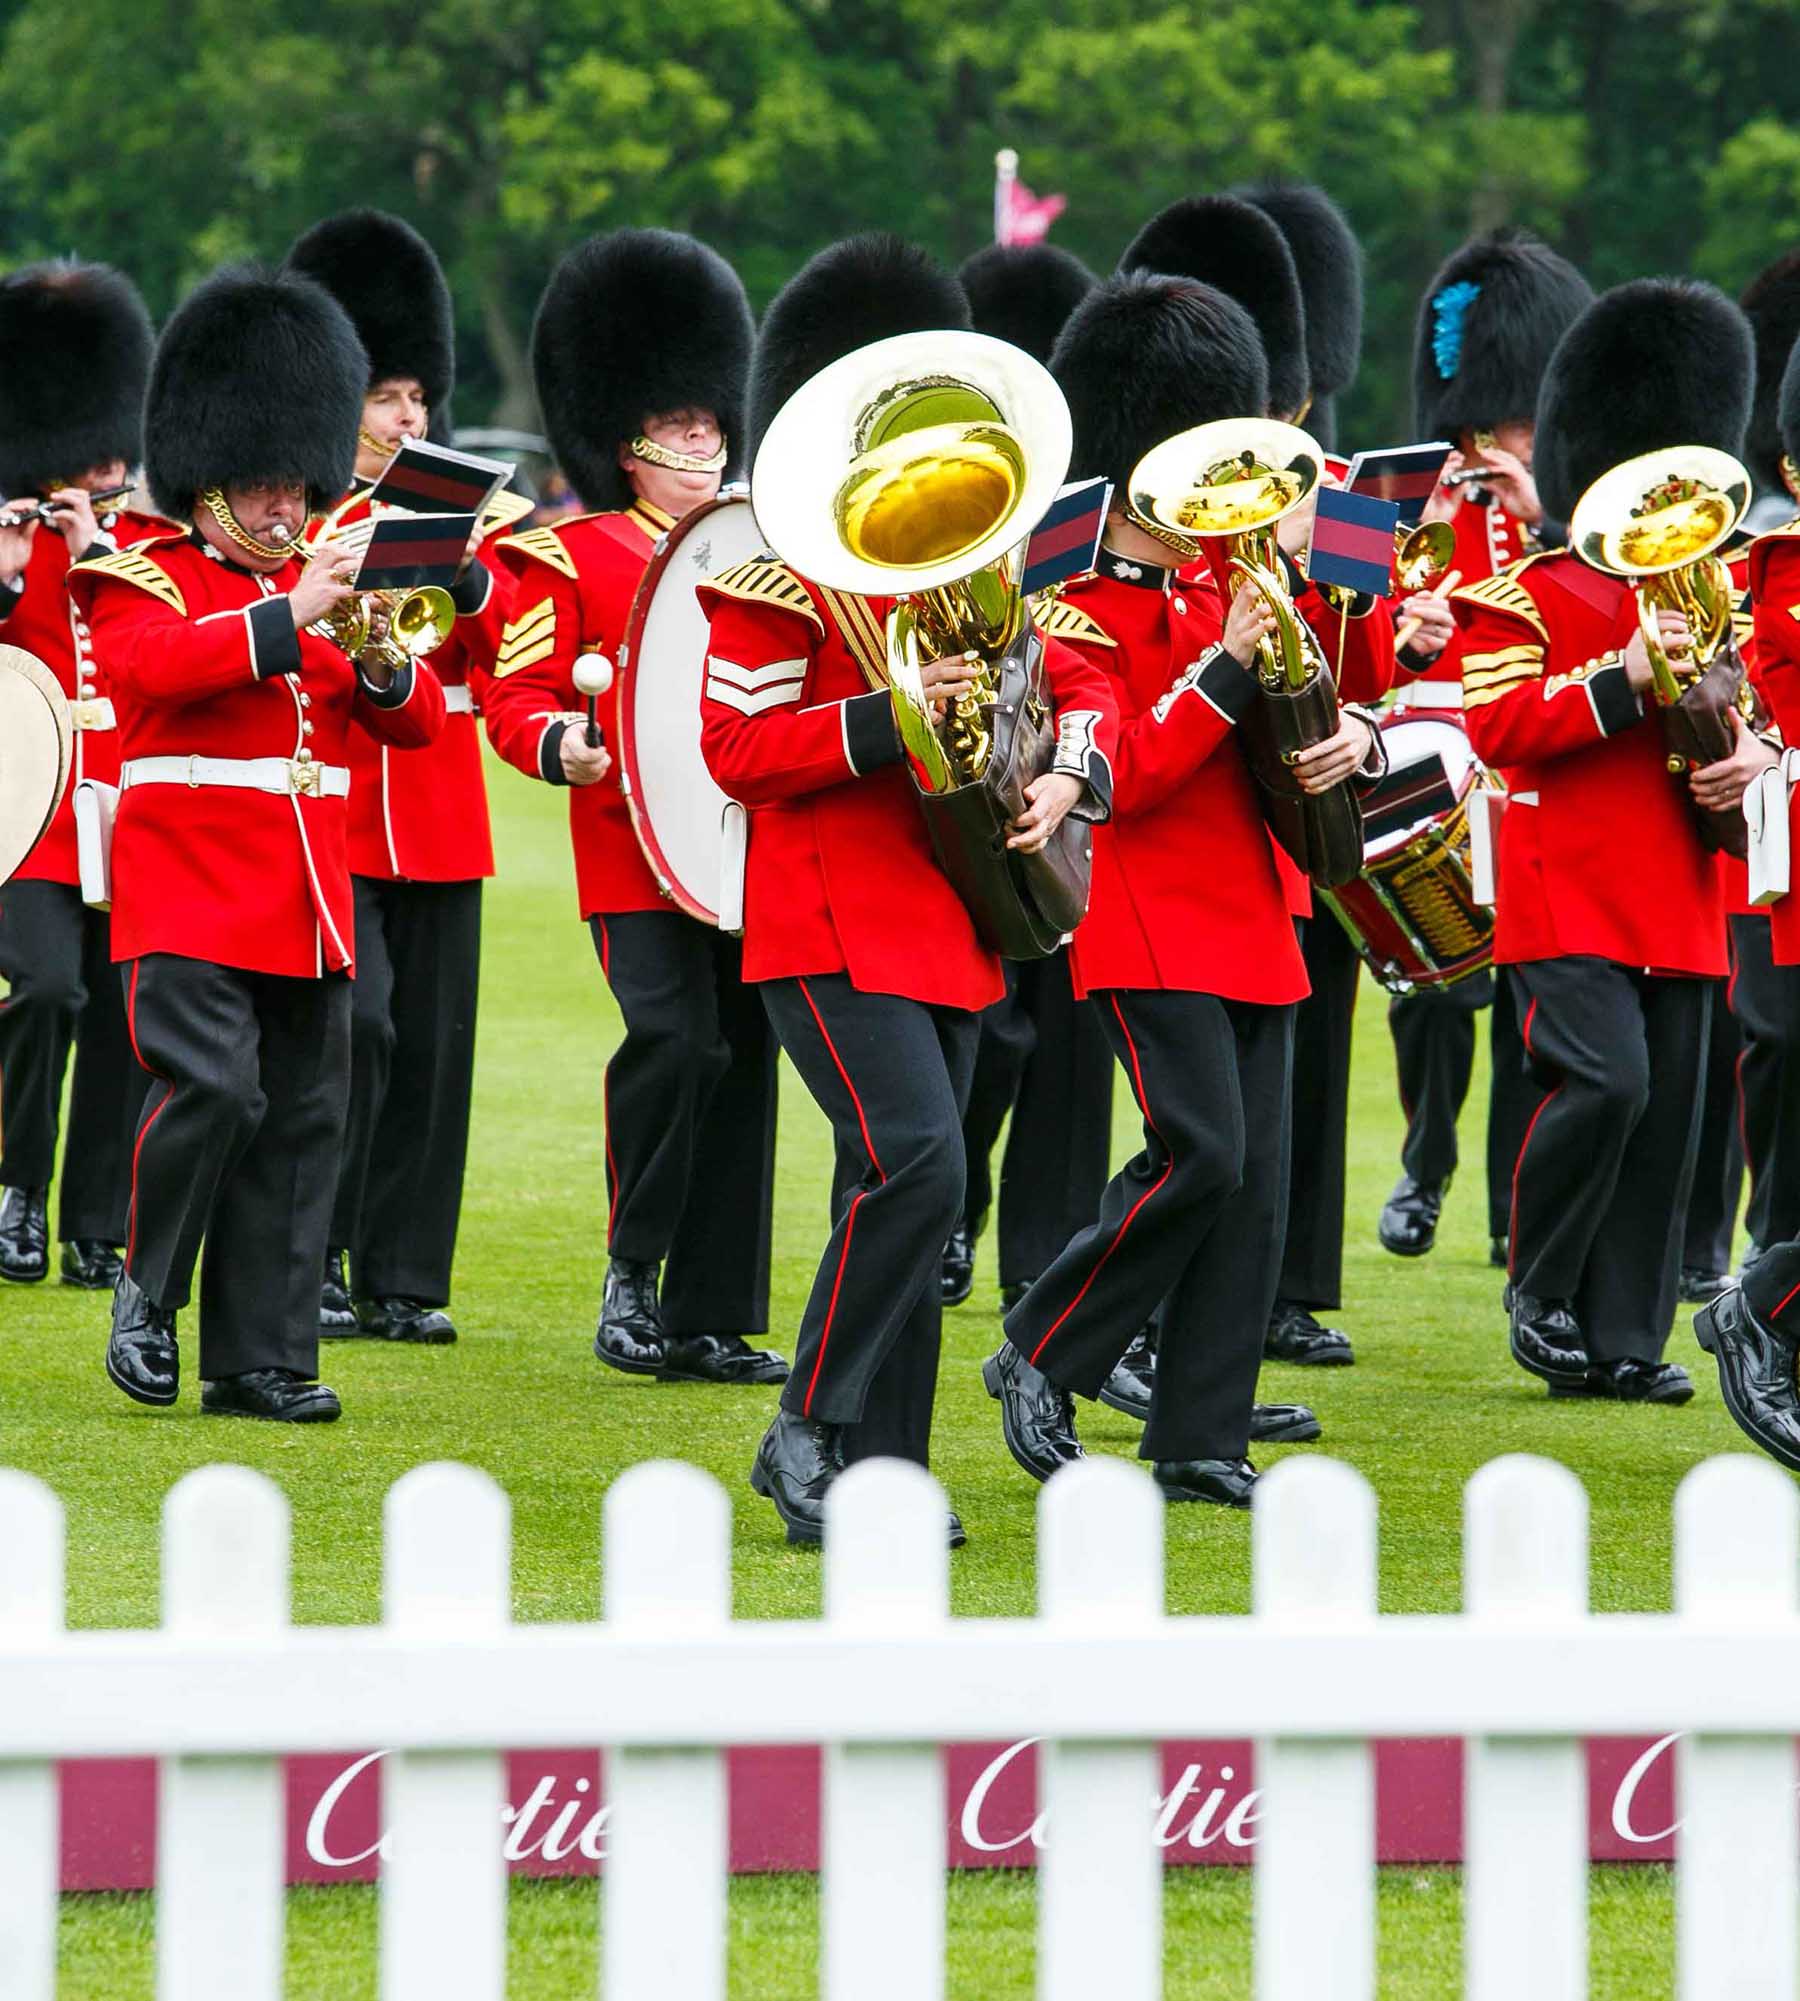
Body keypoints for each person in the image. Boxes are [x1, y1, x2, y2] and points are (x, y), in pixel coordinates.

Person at [699, 233, 1117, 1545]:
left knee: (899, 1190)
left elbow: (1070, 685)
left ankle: (883, 1475)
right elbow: (737, 752)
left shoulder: (970, 579)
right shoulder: (771, 584)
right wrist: (890, 713)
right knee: (921, 1170)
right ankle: (807, 1428)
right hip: (823, 916)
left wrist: (1060, 765)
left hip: (948, 918)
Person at [984, 268, 1381, 1508]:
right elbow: (1133, 771)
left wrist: (1351, 730)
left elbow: (1343, 678)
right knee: (1199, 1148)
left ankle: (1200, 1437)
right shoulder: (1073, 603)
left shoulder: (1242, 578)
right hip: (1146, 902)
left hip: (1260, 902)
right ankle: (1041, 1348)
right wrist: (1225, 662)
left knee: (1254, 1179)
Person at [71, 263, 445, 1421]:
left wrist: (381, 651)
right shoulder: (142, 575)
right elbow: (154, 671)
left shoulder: (324, 586)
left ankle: (263, 1358)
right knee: (216, 1093)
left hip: (306, 900)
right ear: (209, 478)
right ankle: (146, 1282)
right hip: (186, 890)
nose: (288, 509)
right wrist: (295, 612)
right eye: (266, 488)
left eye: (298, 485)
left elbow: (419, 723)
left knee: (299, 1125)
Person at [480, 228, 787, 1387]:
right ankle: (633, 1269)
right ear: (628, 446)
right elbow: (513, 693)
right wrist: (561, 742)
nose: (703, 443)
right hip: (630, 847)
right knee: (673, 1040)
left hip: (743, 839)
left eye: (713, 424)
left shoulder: (761, 549)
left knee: (741, 1057)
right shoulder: (571, 556)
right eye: (681, 429)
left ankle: (713, 1313)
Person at [1457, 276, 1768, 1403]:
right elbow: (1497, 724)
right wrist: (1622, 677)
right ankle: (1537, 1287)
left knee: (1665, 1129)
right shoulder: (1526, 594)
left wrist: (1752, 754)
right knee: (1609, 1087)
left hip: (1680, 892)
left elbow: (1762, 717)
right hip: (1568, 888)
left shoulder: (1721, 593)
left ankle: (1624, 1345)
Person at [1119, 191, 1395, 1372]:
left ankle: (1262, 1325)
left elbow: (1380, 678)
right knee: (1198, 1137)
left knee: (1274, 1130)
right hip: (1177, 858)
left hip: (1304, 836)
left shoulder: (1343, 503)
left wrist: (1371, 728)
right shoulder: (1129, 531)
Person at [282, 209, 511, 1345]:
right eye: (387, 397)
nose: (409, 416)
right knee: (355, 1031)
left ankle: (405, 1275)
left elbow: (503, 646)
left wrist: (467, 582)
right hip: (337, 804)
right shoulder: (303, 521)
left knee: (431, 1046)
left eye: (419, 398)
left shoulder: (468, 519)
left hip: (440, 808)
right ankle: (318, 1251)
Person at [1378, 230, 1593, 1267]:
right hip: (1431, 771)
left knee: (1530, 1016)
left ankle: (1515, 1211)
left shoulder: (1563, 510)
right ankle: (1426, 1161)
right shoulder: (1411, 499)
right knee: (1434, 989)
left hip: (1528, 772)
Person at [940, 240, 1115, 1327]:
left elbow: (1089, 648)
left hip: (1053, 791)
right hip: (970, 789)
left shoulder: (1076, 504)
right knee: (989, 1036)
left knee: (1069, 1051)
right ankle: (955, 1206)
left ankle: (1044, 1270)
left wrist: (1075, 765)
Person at [0, 262, 160, 1289]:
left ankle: (94, 1219)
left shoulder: (132, 535)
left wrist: (97, 539)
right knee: (45, 986)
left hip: (127, 800)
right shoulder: (9, 538)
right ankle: (19, 1185)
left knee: (117, 1009)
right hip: (27, 798)